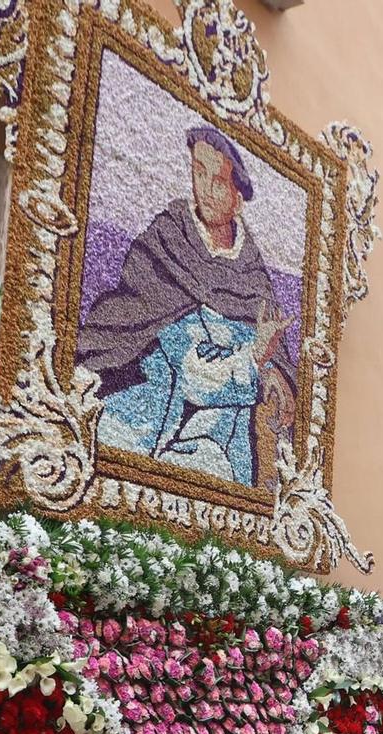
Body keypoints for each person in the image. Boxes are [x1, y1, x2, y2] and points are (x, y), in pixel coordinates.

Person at [78, 126, 297, 487]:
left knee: (216, 469)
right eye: (199, 172)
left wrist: (272, 369)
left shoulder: (253, 277)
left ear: (238, 197)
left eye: (218, 180)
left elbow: (276, 351)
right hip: (149, 414)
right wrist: (254, 358)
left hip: (213, 438)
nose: (205, 190)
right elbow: (190, 369)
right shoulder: (167, 240)